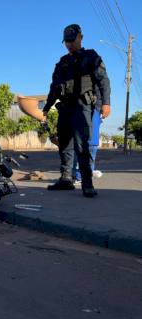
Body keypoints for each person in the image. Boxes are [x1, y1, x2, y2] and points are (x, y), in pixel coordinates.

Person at [43, 24, 111, 198]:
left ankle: (87, 183)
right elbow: (54, 87)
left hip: (82, 107)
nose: (69, 44)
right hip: (64, 108)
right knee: (65, 144)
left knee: (82, 145)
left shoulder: (91, 57)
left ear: (81, 37)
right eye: (66, 41)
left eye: (72, 41)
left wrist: (106, 103)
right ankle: (66, 179)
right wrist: (46, 107)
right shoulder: (62, 62)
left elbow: (103, 80)